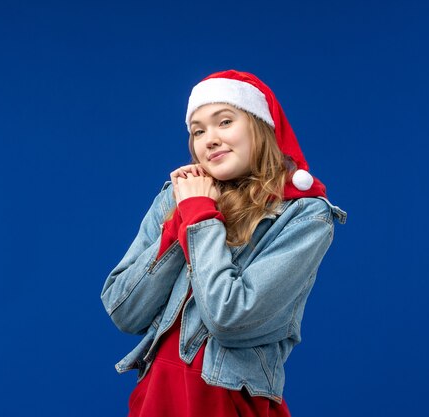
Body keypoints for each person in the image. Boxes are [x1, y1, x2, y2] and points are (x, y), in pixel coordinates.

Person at [101, 70, 347, 416]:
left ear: (260, 127)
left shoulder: (306, 216)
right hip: (157, 397)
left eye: (225, 122)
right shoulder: (177, 199)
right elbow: (123, 311)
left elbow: (229, 318)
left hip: (226, 401)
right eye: (198, 131)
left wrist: (199, 217)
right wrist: (177, 225)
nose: (209, 139)